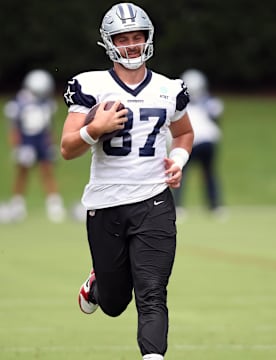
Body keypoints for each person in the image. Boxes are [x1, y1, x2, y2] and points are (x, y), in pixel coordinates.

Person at [60, 3, 194, 360]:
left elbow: (184, 134)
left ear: (148, 39)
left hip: (154, 201)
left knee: (152, 292)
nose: (132, 45)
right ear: (109, 42)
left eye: (138, 37)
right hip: (106, 203)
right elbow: (67, 148)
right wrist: (94, 129)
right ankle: (99, 284)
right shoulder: (91, 85)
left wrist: (177, 161)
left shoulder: (170, 88)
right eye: (124, 38)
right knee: (116, 303)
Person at [0, 69, 66, 223]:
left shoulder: (47, 103)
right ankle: (18, 205)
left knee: (47, 171)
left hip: (42, 141)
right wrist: (17, 146)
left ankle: (54, 205)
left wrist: (51, 143)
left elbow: (48, 126)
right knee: (22, 173)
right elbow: (14, 128)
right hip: (27, 141)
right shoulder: (19, 103)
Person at [172, 69, 224, 214]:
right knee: (208, 174)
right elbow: (216, 119)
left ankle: (178, 206)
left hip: (192, 143)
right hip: (206, 142)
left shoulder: (181, 103)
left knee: (183, 173)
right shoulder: (210, 101)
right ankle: (215, 206)